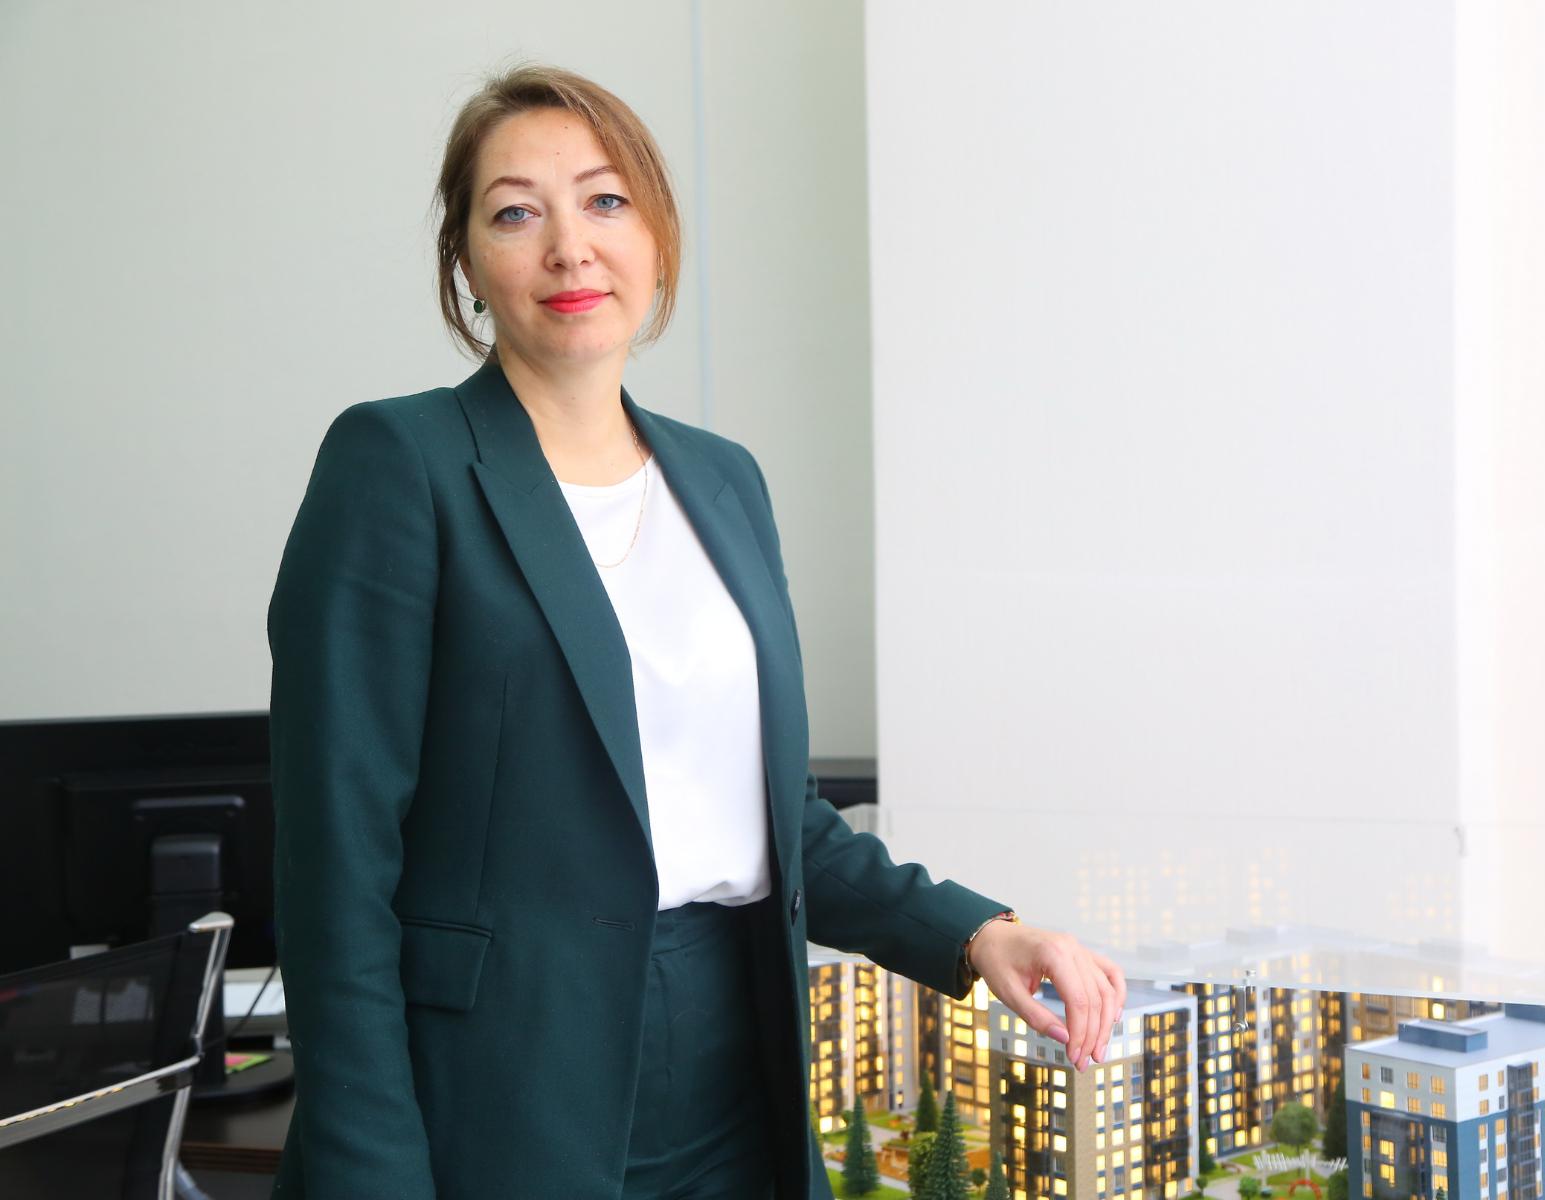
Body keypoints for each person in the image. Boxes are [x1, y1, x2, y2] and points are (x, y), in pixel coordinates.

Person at [266, 62, 1126, 1200]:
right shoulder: (397, 464)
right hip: (500, 1087)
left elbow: (780, 822)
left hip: (735, 1065)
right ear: (465, 264)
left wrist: (981, 936)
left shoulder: (723, 482)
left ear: (658, 241)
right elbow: (337, 870)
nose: (570, 247)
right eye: (516, 213)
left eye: (606, 201)